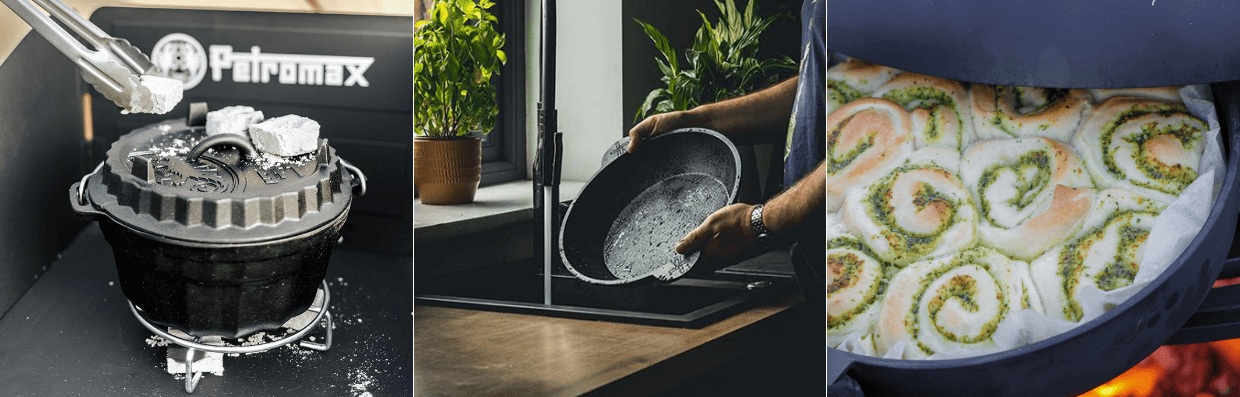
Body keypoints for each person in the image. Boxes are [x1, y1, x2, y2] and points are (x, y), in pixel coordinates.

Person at [626, 0, 824, 286]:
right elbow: (816, 82)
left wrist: (755, 223)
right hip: (822, 259)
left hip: (870, 247)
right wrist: (696, 121)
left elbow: (876, 148)